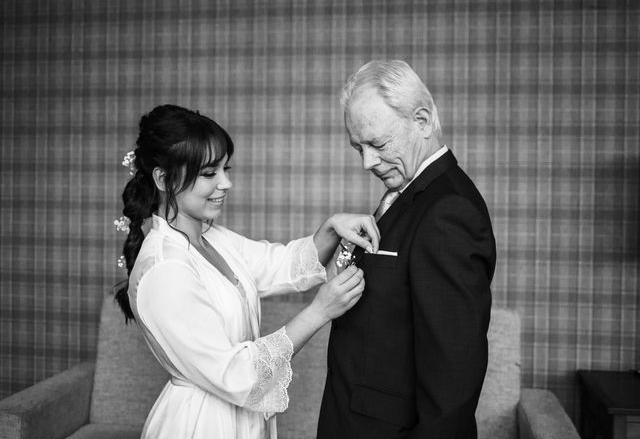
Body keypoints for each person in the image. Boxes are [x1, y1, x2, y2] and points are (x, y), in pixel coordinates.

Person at [113, 104, 379, 439]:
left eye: (225, 169)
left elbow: (279, 264)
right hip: (201, 425)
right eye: (210, 173)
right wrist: (320, 311)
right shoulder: (164, 270)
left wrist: (331, 228)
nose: (226, 183)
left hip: (243, 419)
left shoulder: (213, 238)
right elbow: (236, 373)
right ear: (163, 179)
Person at [317, 60, 496, 439]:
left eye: (378, 144)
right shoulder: (409, 195)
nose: (367, 162)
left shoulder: (449, 210)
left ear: (423, 121)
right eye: (358, 147)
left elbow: (454, 374)